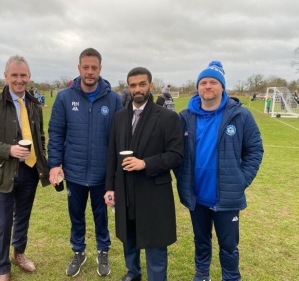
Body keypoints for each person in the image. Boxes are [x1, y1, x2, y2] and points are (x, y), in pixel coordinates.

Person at [175, 61, 264, 281]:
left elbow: (255, 150)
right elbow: (175, 153)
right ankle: (202, 275)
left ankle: (231, 277)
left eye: (213, 82)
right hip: (197, 196)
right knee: (201, 241)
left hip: (226, 197)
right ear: (197, 87)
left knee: (229, 246)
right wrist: (183, 177)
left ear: (222, 86)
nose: (208, 86)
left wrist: (241, 180)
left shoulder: (241, 116)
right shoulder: (184, 118)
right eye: (203, 82)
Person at [0, 55, 50, 281]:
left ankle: (19, 254)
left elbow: (40, 137)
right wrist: (8, 150)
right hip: (2, 173)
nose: (19, 80)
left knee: (23, 217)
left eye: (23, 75)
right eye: (14, 75)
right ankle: (3, 269)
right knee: (4, 222)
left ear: (29, 76)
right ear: (6, 76)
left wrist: (42, 160)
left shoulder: (34, 104)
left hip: (29, 171)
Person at [48, 47, 123, 277]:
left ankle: (103, 250)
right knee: (76, 215)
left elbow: (120, 138)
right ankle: (79, 251)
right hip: (75, 171)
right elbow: (56, 133)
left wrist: (117, 173)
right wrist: (55, 164)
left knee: (101, 216)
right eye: (86, 67)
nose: (90, 72)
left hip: (102, 173)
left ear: (100, 69)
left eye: (94, 68)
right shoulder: (64, 97)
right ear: (79, 68)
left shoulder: (113, 99)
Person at [104, 67, 183, 281]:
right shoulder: (119, 118)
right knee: (129, 236)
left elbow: (176, 155)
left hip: (153, 192)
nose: (137, 89)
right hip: (125, 190)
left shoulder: (167, 117)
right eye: (133, 85)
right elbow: (111, 154)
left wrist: (145, 163)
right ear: (128, 88)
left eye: (141, 84)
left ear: (151, 85)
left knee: (155, 241)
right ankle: (133, 273)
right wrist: (109, 187)